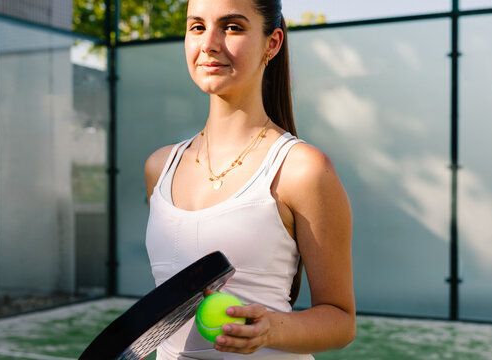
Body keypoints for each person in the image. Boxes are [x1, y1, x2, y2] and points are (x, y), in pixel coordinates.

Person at [144, 0, 355, 358]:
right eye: (197, 27)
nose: (209, 43)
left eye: (232, 27)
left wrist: (270, 328)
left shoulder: (302, 169)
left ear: (272, 43)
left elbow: (341, 320)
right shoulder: (159, 167)